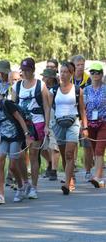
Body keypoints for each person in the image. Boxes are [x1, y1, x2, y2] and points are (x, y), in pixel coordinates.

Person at [12, 57, 50, 199]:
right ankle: (25, 182)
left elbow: (46, 106)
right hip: (21, 123)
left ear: (33, 70)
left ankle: (34, 187)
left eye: (28, 70)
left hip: (37, 121)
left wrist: (46, 125)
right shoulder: (17, 86)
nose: (25, 73)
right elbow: (13, 105)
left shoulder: (41, 85)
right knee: (20, 155)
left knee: (34, 155)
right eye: (23, 70)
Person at [49, 61, 88, 195]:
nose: (63, 75)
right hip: (58, 124)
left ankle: (66, 183)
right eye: (61, 72)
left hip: (73, 123)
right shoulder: (53, 90)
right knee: (64, 156)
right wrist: (47, 127)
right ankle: (69, 179)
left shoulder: (78, 90)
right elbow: (48, 108)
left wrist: (85, 127)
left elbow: (82, 110)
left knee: (69, 153)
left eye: (66, 72)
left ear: (71, 74)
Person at [83, 62, 106, 188]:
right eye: (92, 72)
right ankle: (99, 175)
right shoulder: (86, 90)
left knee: (99, 150)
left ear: (101, 74)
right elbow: (83, 108)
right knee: (93, 149)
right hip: (90, 123)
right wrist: (84, 125)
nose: (95, 75)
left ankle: (98, 177)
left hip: (104, 122)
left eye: (97, 72)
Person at [71, 55, 93, 180]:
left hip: (85, 115)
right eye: (78, 65)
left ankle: (88, 171)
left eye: (82, 64)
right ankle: (71, 169)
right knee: (71, 144)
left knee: (87, 144)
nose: (80, 67)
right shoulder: (68, 79)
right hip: (71, 115)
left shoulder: (88, 80)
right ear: (73, 66)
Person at [40, 69, 60, 181]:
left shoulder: (57, 89)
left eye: (46, 77)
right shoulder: (41, 89)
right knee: (42, 147)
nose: (43, 79)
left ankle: (54, 170)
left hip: (54, 118)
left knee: (54, 145)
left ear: (51, 78)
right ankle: (50, 162)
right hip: (42, 117)